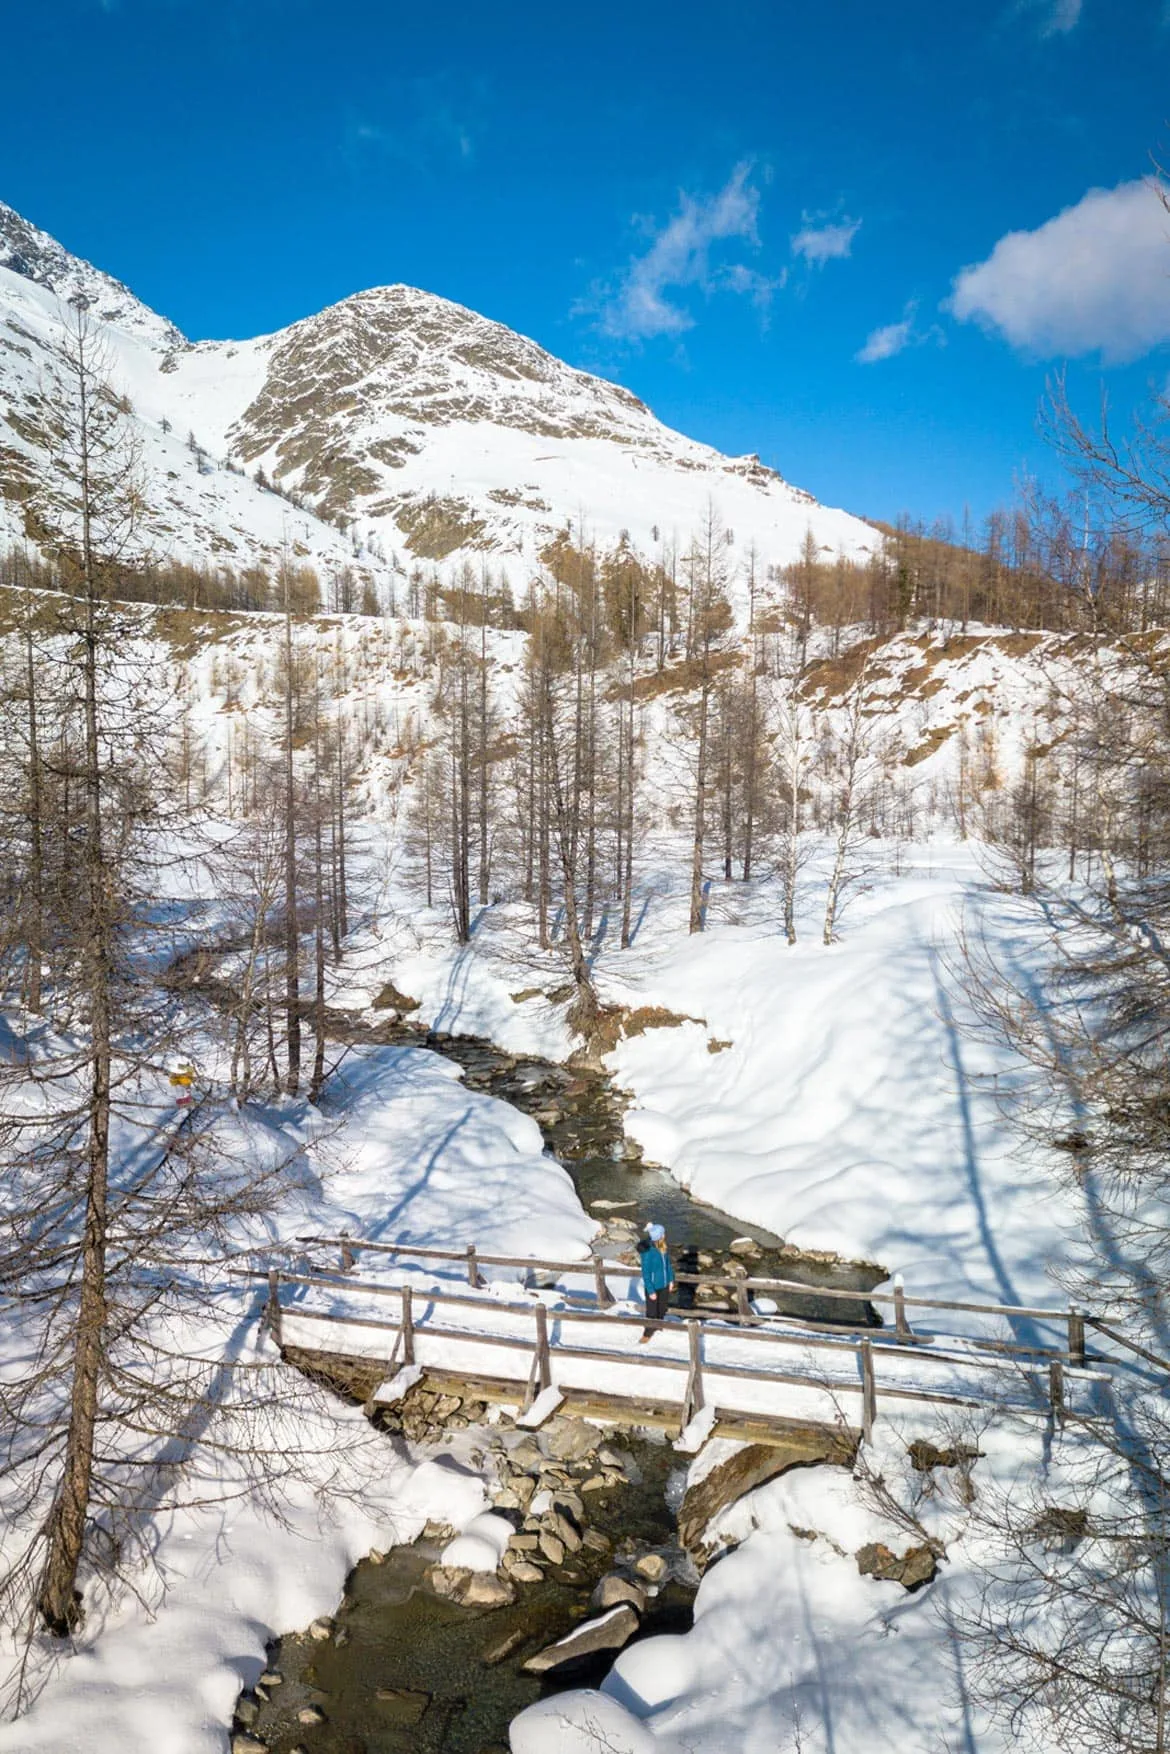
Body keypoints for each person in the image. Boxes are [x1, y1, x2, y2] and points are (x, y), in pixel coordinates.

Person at [637, 1222, 674, 1342]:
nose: (665, 1235)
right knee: (651, 1311)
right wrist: (650, 1290)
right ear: (659, 1236)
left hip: (664, 1284)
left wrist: (671, 1280)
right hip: (653, 1286)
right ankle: (647, 1333)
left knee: (662, 1308)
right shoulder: (648, 1252)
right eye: (663, 1234)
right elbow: (646, 1273)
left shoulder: (663, 1247)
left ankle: (658, 1326)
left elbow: (668, 1265)